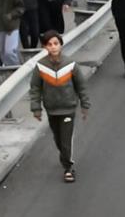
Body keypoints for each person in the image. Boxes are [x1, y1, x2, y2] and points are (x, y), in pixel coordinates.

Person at [29, 30, 90, 183]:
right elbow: (35, 88)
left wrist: (85, 105)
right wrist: (36, 108)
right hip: (51, 109)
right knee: (58, 138)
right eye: (49, 44)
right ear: (45, 47)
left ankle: (68, 168)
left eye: (56, 43)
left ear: (61, 45)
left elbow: (81, 86)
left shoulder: (71, 65)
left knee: (65, 140)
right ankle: (64, 155)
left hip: (68, 108)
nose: (53, 47)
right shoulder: (41, 67)